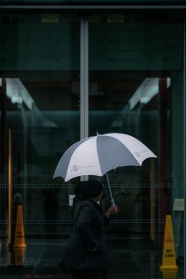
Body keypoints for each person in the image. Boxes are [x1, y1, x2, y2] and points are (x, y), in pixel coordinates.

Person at [62, 179, 118, 279]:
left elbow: (95, 224)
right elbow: (82, 225)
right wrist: (93, 245)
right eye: (101, 190)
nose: (102, 192)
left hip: (80, 255)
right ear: (95, 192)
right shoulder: (87, 206)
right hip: (86, 256)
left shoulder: (83, 203)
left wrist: (109, 213)